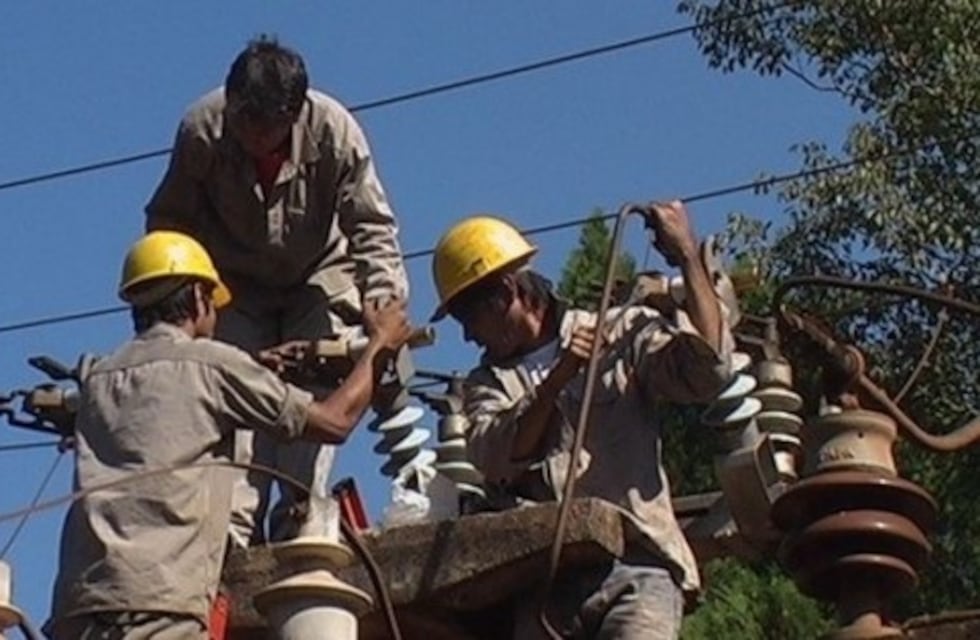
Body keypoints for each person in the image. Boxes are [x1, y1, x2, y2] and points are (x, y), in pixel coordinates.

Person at [45, 231, 411, 640]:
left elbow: (168, 399)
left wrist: (252, 370)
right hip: (159, 607)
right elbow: (334, 420)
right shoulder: (214, 365)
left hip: (78, 609)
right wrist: (381, 343)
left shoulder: (98, 378)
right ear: (199, 297)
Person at [144, 36, 409, 545]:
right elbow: (169, 222)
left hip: (319, 277)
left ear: (293, 114)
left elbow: (372, 226)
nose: (249, 134)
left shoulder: (335, 131)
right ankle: (232, 543)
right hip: (232, 288)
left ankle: (299, 529)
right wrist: (176, 316)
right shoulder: (202, 129)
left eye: (263, 126)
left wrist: (382, 307)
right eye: (242, 118)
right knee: (237, 415)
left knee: (310, 406)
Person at [429, 202, 734, 639]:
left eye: (467, 317)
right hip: (546, 588)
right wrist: (559, 379)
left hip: (636, 566)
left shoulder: (622, 332)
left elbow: (709, 373)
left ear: (505, 293)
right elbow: (498, 456)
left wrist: (687, 256)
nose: (467, 335)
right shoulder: (487, 383)